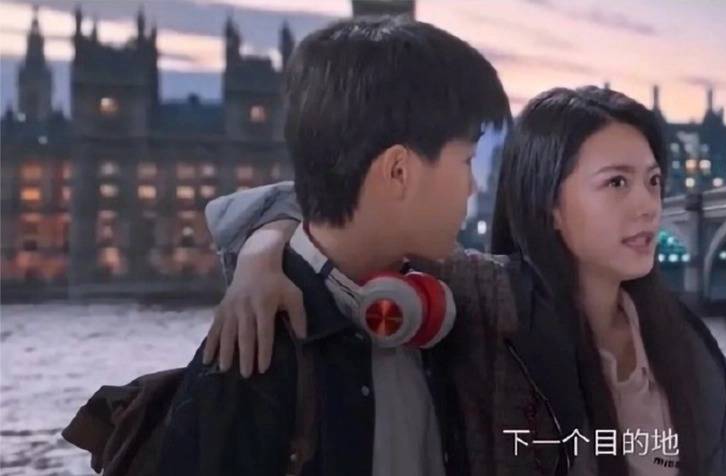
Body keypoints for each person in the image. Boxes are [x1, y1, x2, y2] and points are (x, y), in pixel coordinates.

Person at [202, 86, 726, 475]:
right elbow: (341, 211)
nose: (647, 206)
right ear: (548, 204)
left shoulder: (684, 340)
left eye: (653, 181)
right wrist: (262, 254)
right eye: (616, 183)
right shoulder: (486, 300)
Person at [156, 15, 510, 476]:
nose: (473, 188)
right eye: (465, 161)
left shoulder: (434, 313)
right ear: (398, 171)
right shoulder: (253, 361)